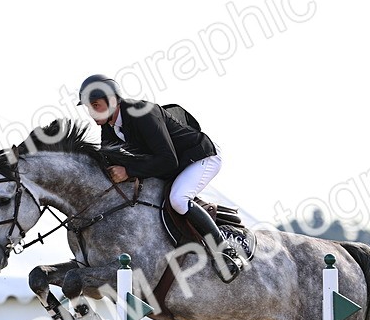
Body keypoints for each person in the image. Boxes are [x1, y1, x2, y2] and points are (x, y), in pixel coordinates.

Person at [76, 74, 245, 282]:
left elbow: (168, 161)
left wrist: (128, 171)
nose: (91, 111)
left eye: (95, 104)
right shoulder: (109, 129)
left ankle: (225, 252)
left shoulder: (142, 113)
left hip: (200, 157)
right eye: (88, 106)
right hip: (171, 164)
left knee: (178, 199)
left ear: (112, 100)